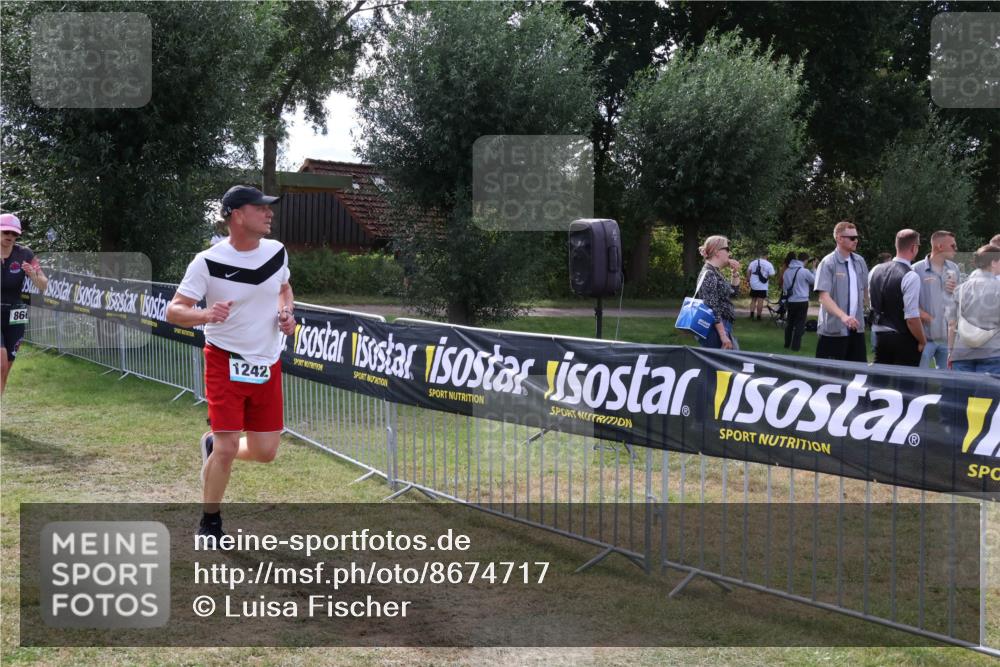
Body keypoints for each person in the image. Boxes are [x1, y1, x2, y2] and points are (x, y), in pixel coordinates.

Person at [166, 185, 295, 542]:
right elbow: (174, 310)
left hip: (267, 361)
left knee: (265, 452)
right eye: (261, 208)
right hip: (224, 360)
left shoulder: (276, 251)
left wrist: (287, 312)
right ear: (237, 214)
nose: (269, 214)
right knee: (227, 447)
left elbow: (284, 287)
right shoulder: (206, 261)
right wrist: (207, 313)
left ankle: (212, 447)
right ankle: (210, 522)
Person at [1, 214, 48, 394]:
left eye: (14, 233)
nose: (10, 236)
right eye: (6, 231)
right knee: (1, 363)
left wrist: (33, 275)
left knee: (5, 370)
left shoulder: (24, 254)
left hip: (15, 313)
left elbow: (43, 284)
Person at [868, 229, 925, 367]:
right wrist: (922, 340)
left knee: (877, 384)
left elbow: (871, 302)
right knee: (906, 386)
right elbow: (911, 318)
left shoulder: (875, 270)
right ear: (913, 247)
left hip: (879, 335)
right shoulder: (911, 276)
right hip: (903, 336)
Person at [814, 221, 869, 362]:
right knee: (830, 380)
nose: (855, 241)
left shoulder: (860, 261)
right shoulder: (828, 263)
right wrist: (843, 317)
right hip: (833, 332)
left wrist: (872, 308)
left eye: (856, 237)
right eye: (852, 238)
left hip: (856, 329)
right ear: (839, 238)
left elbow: (865, 290)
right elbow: (823, 297)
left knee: (858, 377)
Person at [947, 243, 1000, 373]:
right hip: (992, 353)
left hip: (961, 353)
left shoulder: (960, 289)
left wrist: (950, 352)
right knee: (985, 394)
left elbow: (951, 324)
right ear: (993, 262)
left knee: (961, 393)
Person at [912, 231, 961, 369]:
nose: (956, 249)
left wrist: (956, 289)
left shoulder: (954, 268)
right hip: (924, 338)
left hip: (947, 339)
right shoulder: (916, 269)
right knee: (918, 380)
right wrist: (929, 318)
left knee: (947, 381)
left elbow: (959, 301)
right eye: (953, 245)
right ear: (940, 246)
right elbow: (909, 305)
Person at [695, 235, 741, 350]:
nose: (729, 253)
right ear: (717, 252)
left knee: (725, 364)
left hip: (722, 326)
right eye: (727, 249)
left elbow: (733, 293)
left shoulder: (715, 272)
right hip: (715, 329)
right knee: (721, 365)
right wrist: (723, 335)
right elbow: (712, 307)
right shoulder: (709, 273)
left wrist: (734, 273)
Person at [782, 251, 814, 352]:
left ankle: (787, 344)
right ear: (805, 260)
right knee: (800, 324)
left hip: (791, 300)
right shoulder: (804, 271)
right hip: (802, 300)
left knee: (789, 323)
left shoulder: (787, 271)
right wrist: (813, 269)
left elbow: (785, 287)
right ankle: (795, 346)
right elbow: (814, 281)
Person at [746, 250, 774, 321]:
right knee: (760, 300)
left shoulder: (753, 262)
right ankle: (758, 316)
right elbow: (772, 274)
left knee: (753, 299)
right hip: (762, 285)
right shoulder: (768, 264)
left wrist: (748, 280)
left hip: (753, 284)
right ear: (766, 256)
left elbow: (748, 271)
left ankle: (751, 314)